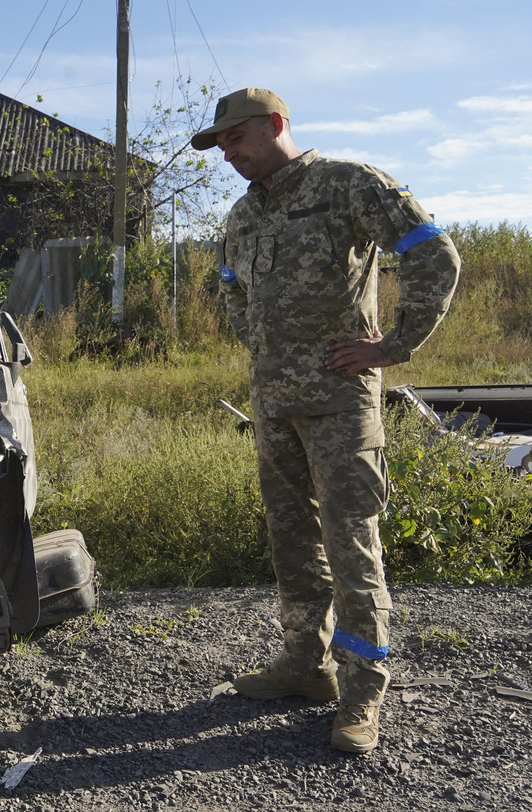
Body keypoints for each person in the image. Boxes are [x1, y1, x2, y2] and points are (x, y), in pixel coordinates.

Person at [191, 88, 460, 753]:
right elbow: (230, 285)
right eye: (220, 143)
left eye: (236, 137)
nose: (227, 153)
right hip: (274, 404)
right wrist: (261, 347)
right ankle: (304, 665)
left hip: (341, 403)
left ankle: (362, 691)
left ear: (276, 124)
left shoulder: (347, 185)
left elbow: (435, 254)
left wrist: (393, 346)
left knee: (350, 546)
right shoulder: (243, 213)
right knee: (293, 544)